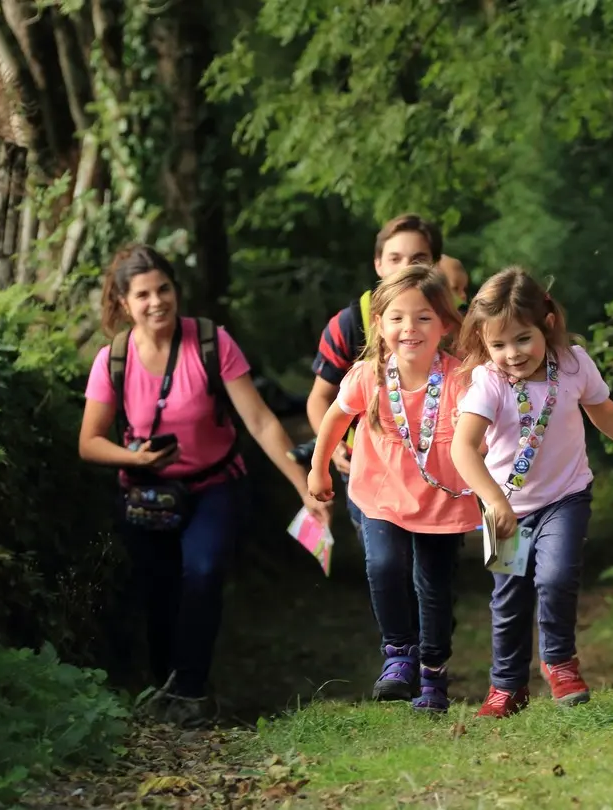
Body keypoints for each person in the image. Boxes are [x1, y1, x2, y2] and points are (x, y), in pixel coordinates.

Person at [79, 244, 328, 727]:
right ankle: (166, 683)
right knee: (159, 591)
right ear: (124, 303)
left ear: (177, 290)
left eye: (164, 289)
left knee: (204, 571)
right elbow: (89, 442)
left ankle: (192, 691)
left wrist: (305, 485)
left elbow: (259, 421)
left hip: (215, 485)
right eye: (144, 294)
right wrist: (134, 457)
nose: (157, 302)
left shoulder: (211, 343)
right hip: (147, 492)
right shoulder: (113, 359)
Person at [451, 267, 613, 718]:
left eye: (522, 339)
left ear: (547, 324)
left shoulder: (572, 364)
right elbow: (462, 449)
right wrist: (494, 502)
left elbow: (605, 413)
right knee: (509, 597)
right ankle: (506, 687)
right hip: (505, 508)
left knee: (554, 578)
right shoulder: (488, 382)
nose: (511, 354)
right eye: (498, 345)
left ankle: (560, 663)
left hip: (565, 499)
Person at [306, 265, 478, 712]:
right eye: (397, 318)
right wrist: (318, 468)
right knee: (383, 565)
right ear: (379, 325)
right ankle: (399, 654)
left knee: (434, 587)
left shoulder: (462, 380)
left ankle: (434, 675)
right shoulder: (368, 376)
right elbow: (334, 420)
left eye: (423, 317)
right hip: (380, 496)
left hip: (442, 503)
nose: (410, 328)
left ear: (444, 324)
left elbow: (486, 435)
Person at [303, 214, 445, 543]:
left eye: (418, 259)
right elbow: (319, 398)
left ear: (435, 266)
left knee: (429, 579)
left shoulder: (450, 323)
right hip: (368, 471)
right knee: (386, 568)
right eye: (395, 259)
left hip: (435, 478)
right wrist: (333, 448)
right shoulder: (349, 324)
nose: (405, 268)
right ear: (379, 264)